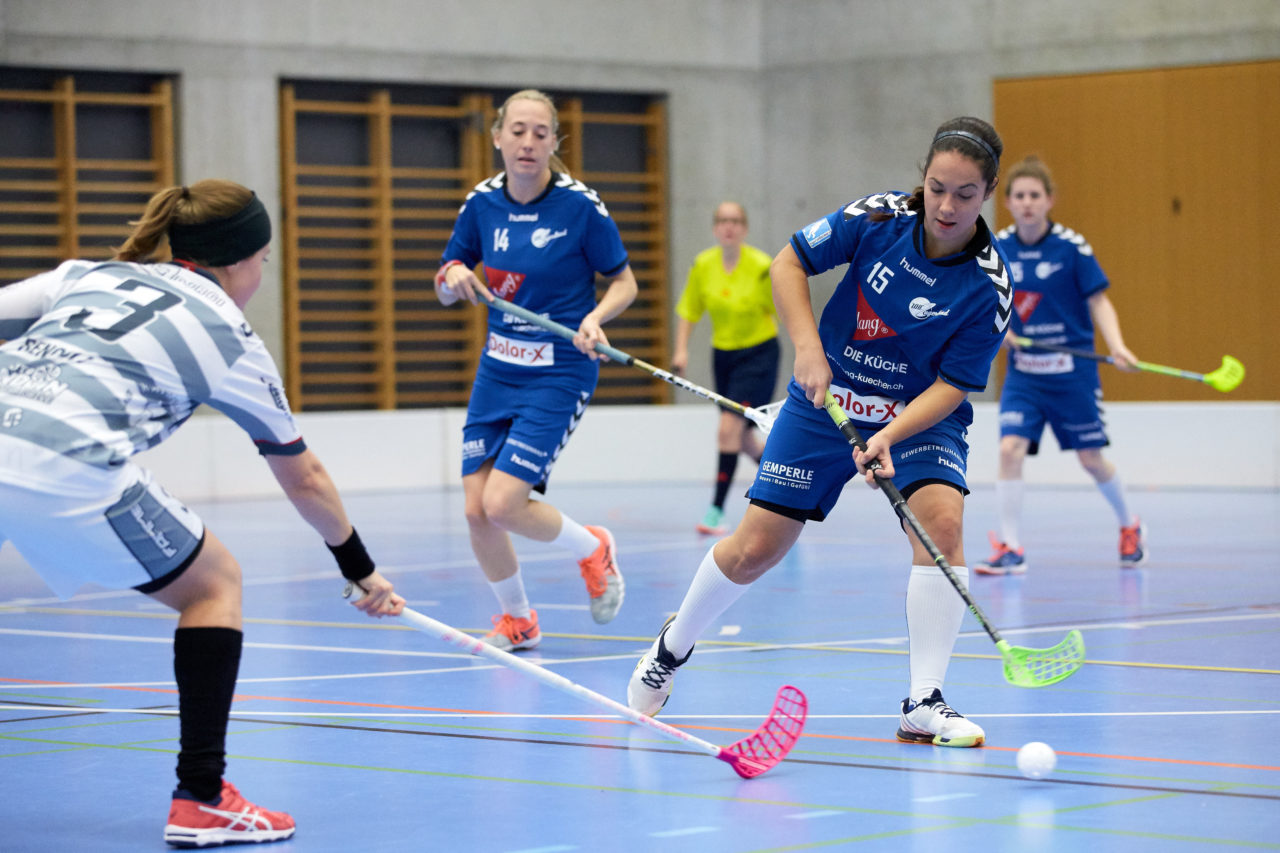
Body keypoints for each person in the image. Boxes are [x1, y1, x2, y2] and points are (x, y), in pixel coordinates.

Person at [0, 179, 404, 847]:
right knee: (215, 583)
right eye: (264, 260)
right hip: (66, 464)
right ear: (241, 259)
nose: (261, 275)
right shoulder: (229, 336)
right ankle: (203, 797)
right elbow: (303, 476)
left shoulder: (85, 276)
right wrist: (360, 569)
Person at [628, 117, 1010, 749]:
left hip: (918, 415)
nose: (946, 206)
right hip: (825, 400)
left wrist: (890, 434)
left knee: (942, 524)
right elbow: (789, 262)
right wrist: (808, 349)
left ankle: (924, 701)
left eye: (965, 194)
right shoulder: (879, 217)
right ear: (923, 177)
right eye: (938, 188)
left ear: (988, 193)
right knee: (755, 549)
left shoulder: (989, 286)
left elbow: (954, 386)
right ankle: (671, 648)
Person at [434, 89, 637, 652]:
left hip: (559, 371)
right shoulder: (481, 204)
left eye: (540, 133)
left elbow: (624, 283)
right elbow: (446, 279)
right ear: (498, 137)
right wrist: (452, 277)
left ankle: (594, 548)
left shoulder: (580, 207)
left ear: (554, 143)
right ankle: (518, 620)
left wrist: (595, 318)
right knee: (476, 512)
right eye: (518, 131)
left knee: (503, 503)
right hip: (497, 371)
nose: (527, 142)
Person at [975, 155, 1146, 575]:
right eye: (1019, 196)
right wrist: (1000, 330)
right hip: (1025, 375)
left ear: (1049, 200)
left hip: (1072, 374)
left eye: (1035, 195)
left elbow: (1098, 300)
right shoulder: (997, 248)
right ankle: (1011, 546)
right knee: (1010, 449)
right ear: (1007, 202)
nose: (1027, 203)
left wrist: (1118, 347)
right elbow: (981, 301)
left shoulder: (1072, 247)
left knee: (1091, 459)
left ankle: (1129, 524)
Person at [671, 201, 780, 536]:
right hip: (723, 358)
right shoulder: (703, 265)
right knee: (742, 438)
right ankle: (782, 482)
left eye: (735, 221)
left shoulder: (762, 266)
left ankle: (716, 510)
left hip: (759, 356)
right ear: (715, 227)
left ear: (744, 228)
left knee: (727, 429)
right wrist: (681, 351)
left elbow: (784, 306)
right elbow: (689, 310)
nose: (729, 226)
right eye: (722, 220)